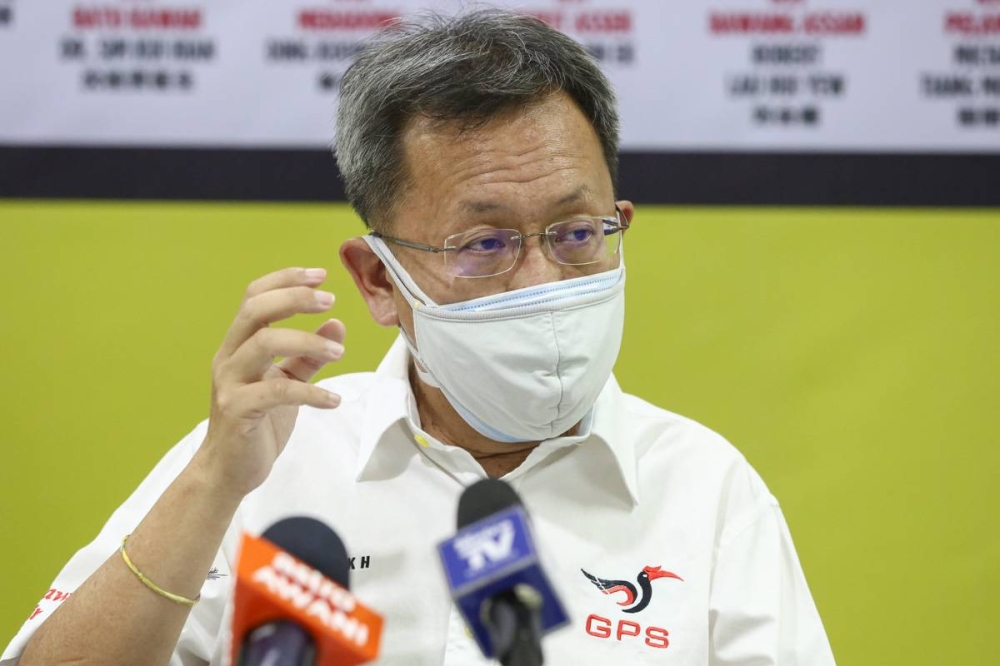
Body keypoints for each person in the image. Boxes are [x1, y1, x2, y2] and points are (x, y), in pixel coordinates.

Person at [4, 9, 835, 666]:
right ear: (378, 280)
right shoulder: (267, 466)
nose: (543, 279)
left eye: (577, 232)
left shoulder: (707, 492)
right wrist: (213, 485)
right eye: (485, 244)